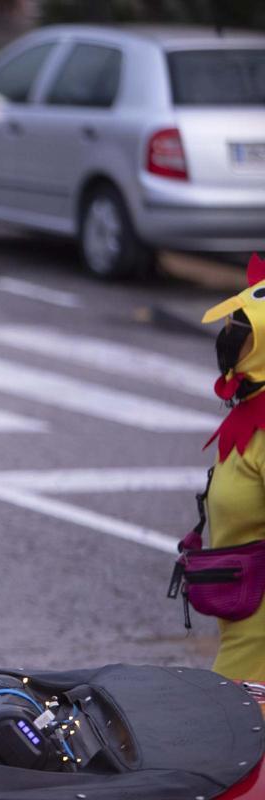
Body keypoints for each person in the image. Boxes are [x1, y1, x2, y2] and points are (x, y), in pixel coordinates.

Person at [196, 253, 265, 681]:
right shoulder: (250, 413)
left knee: (227, 715)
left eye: (241, 330)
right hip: (244, 617)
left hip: (259, 641)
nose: (227, 338)